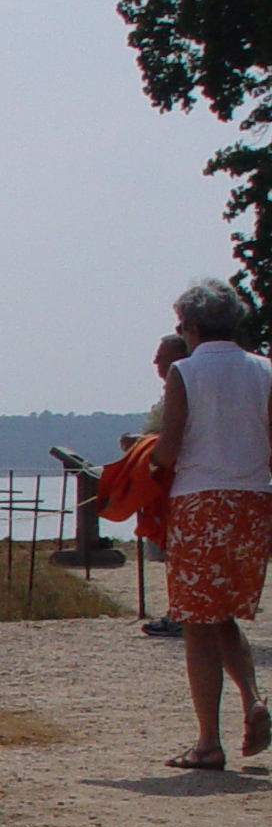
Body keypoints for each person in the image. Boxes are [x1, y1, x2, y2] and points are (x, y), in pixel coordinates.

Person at [151, 279, 272, 769]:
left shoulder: (186, 371)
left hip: (201, 501)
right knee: (222, 611)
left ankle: (207, 741)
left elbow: (171, 445)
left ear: (193, 327)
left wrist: (147, 464)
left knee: (197, 623)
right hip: (254, 501)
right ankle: (253, 699)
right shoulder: (265, 369)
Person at [140, 334, 191, 638]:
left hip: (178, 481)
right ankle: (179, 610)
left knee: (179, 551)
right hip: (163, 482)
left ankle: (182, 613)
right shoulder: (168, 394)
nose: (156, 362)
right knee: (171, 553)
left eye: (162, 356)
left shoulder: (186, 389)